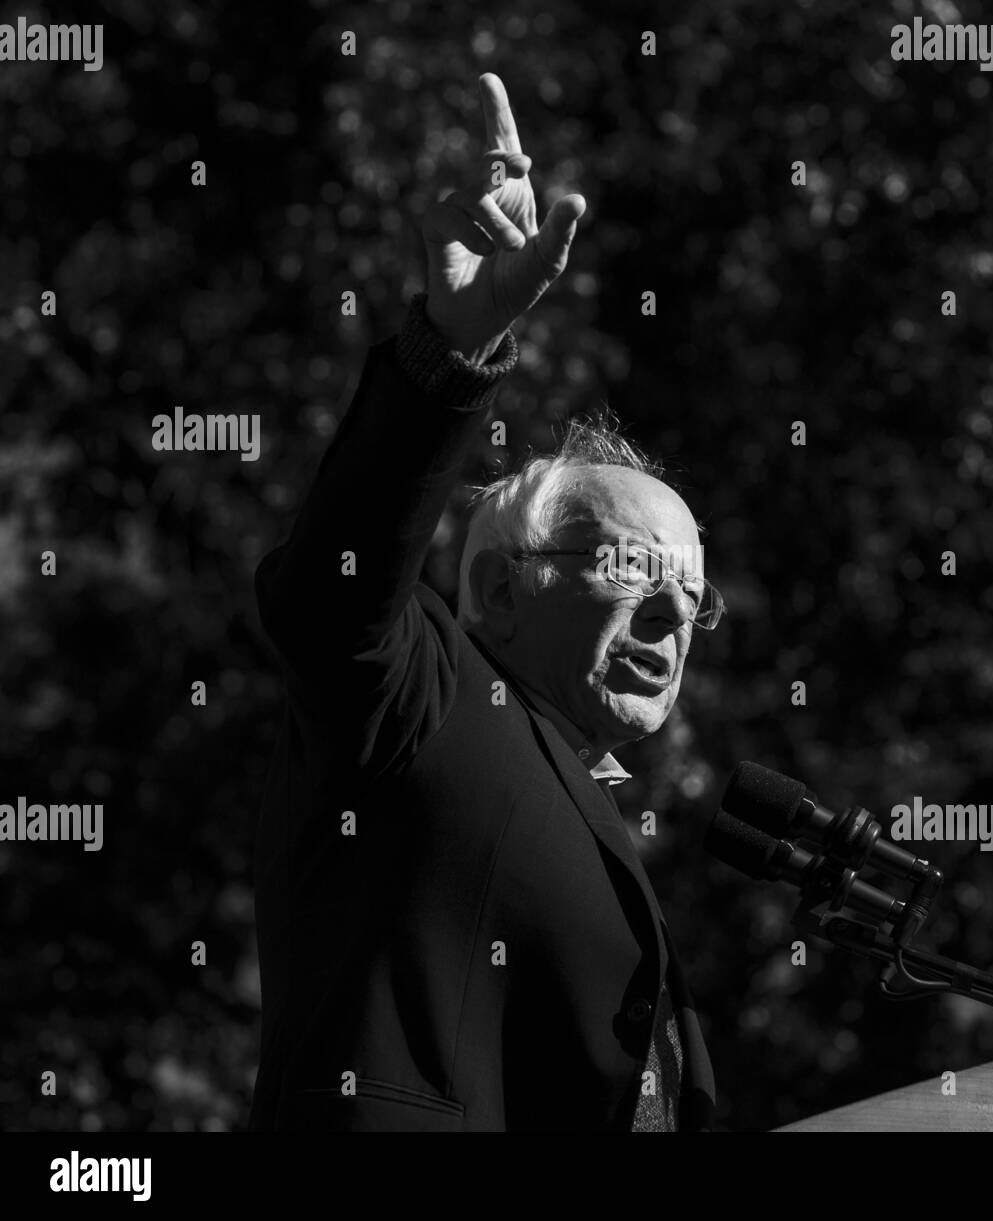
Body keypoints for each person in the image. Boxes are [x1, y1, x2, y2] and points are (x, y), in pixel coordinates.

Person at [249, 74, 719, 1131]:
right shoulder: (424, 703)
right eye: (638, 573)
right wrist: (447, 352)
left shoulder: (588, 799)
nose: (673, 619)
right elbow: (331, 592)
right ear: (504, 585)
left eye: (693, 599)